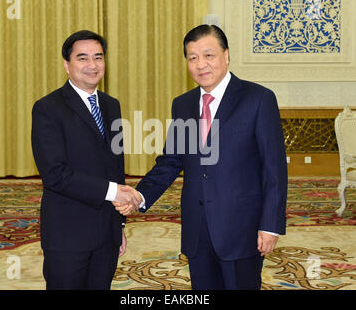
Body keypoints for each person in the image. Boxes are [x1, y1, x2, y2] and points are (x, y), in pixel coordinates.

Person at [115, 24, 288, 290]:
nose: (201, 64)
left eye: (209, 55)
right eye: (193, 57)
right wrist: (140, 195)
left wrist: (270, 225)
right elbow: (171, 161)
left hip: (242, 229)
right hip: (197, 230)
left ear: (226, 56)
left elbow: (274, 170)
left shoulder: (258, 99)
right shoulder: (182, 104)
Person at [31, 30, 139, 290]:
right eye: (82, 58)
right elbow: (55, 174)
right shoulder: (48, 108)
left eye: (98, 57)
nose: (92, 65)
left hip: (106, 234)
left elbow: (115, 167)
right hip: (68, 235)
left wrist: (119, 224)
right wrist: (115, 192)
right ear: (67, 65)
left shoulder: (111, 106)